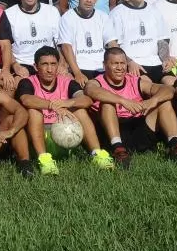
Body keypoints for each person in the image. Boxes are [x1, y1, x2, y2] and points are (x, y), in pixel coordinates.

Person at [15, 46, 114, 174]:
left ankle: (97, 154)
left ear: (58, 65)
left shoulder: (67, 82)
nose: (49, 69)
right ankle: (44, 161)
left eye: (53, 64)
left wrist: (67, 103)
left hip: (66, 135)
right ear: (35, 67)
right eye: (44, 64)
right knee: (34, 111)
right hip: (39, 139)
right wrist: (52, 105)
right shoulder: (27, 82)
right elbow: (26, 100)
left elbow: (87, 100)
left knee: (80, 110)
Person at [84, 48, 177, 166]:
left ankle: (175, 146)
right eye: (115, 64)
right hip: (113, 132)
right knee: (107, 104)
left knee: (163, 101)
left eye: (122, 63)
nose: (120, 68)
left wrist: (153, 100)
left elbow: (168, 89)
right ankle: (118, 150)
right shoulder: (96, 82)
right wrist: (123, 101)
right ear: (104, 65)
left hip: (138, 128)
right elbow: (90, 90)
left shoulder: (134, 80)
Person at [110, 0, 174, 83]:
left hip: (156, 63)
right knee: (151, 89)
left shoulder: (154, 11)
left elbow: (162, 40)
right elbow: (113, 45)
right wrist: (128, 62)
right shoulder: (117, 13)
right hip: (135, 65)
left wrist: (165, 59)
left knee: (174, 85)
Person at [59, 0, 119, 85]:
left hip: (102, 69)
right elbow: (66, 47)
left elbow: (112, 44)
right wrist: (77, 73)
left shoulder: (103, 17)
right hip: (81, 68)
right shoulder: (68, 17)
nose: (89, 0)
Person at [4, 0, 62, 79]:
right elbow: (6, 46)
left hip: (48, 63)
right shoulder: (8, 14)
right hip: (22, 64)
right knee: (12, 86)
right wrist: (15, 66)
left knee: (69, 82)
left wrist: (62, 63)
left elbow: (60, 43)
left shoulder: (52, 11)